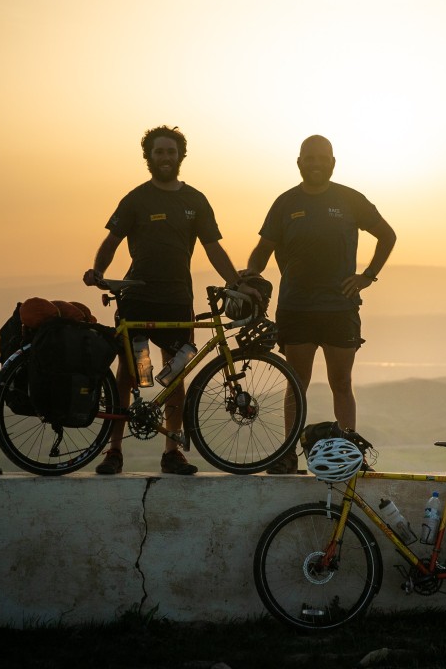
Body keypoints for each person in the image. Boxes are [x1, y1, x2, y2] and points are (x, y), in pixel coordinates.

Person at [83, 125, 258, 476]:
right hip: (138, 297)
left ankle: (172, 451)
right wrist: (97, 270)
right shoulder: (136, 198)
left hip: (177, 298)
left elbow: (213, 248)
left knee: (176, 374)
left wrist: (236, 282)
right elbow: (112, 240)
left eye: (171, 152)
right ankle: (114, 450)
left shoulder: (195, 200)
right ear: (148, 157)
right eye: (159, 152)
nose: (165, 158)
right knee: (131, 374)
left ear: (180, 157)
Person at [245, 134, 396, 472]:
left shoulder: (350, 199)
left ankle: (349, 456)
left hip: (339, 307)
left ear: (332, 162)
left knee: (341, 383)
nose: (315, 163)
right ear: (299, 162)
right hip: (296, 307)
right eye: (308, 158)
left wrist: (367, 276)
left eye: (321, 158)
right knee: (295, 383)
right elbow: (262, 250)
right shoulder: (285, 203)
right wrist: (249, 274)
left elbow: (388, 235)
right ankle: (286, 455)